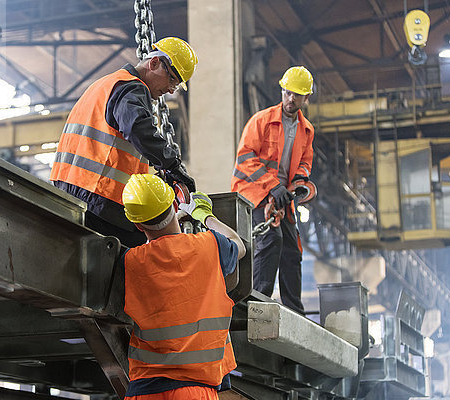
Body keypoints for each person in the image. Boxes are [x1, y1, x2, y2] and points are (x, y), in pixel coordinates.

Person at [50, 37, 198, 248]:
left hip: (70, 189)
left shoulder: (105, 84)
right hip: (100, 198)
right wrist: (172, 164)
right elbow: (137, 128)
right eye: (172, 79)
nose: (171, 89)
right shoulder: (131, 88)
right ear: (154, 63)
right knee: (138, 256)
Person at [121, 174, 246, 399]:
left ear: (138, 225)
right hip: (195, 391)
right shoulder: (210, 246)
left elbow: (158, 249)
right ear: (173, 203)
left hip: (145, 391)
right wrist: (204, 215)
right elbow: (239, 245)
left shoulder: (131, 262)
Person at [231, 66, 315, 315]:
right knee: (270, 239)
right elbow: (245, 158)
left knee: (292, 248)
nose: (291, 99)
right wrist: (273, 186)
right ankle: (256, 303)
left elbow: (304, 163)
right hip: (253, 193)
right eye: (288, 93)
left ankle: (295, 311)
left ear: (306, 98)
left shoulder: (307, 130)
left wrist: (299, 184)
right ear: (282, 91)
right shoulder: (262, 121)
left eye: (297, 95)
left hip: (281, 197)